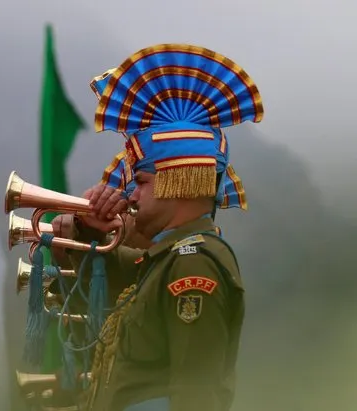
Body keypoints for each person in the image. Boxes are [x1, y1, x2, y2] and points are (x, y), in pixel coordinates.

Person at [49, 44, 264, 411]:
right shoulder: (162, 261)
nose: (130, 191)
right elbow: (81, 296)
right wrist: (90, 232)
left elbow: (195, 395)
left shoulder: (192, 262)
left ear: (176, 181)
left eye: (142, 181)